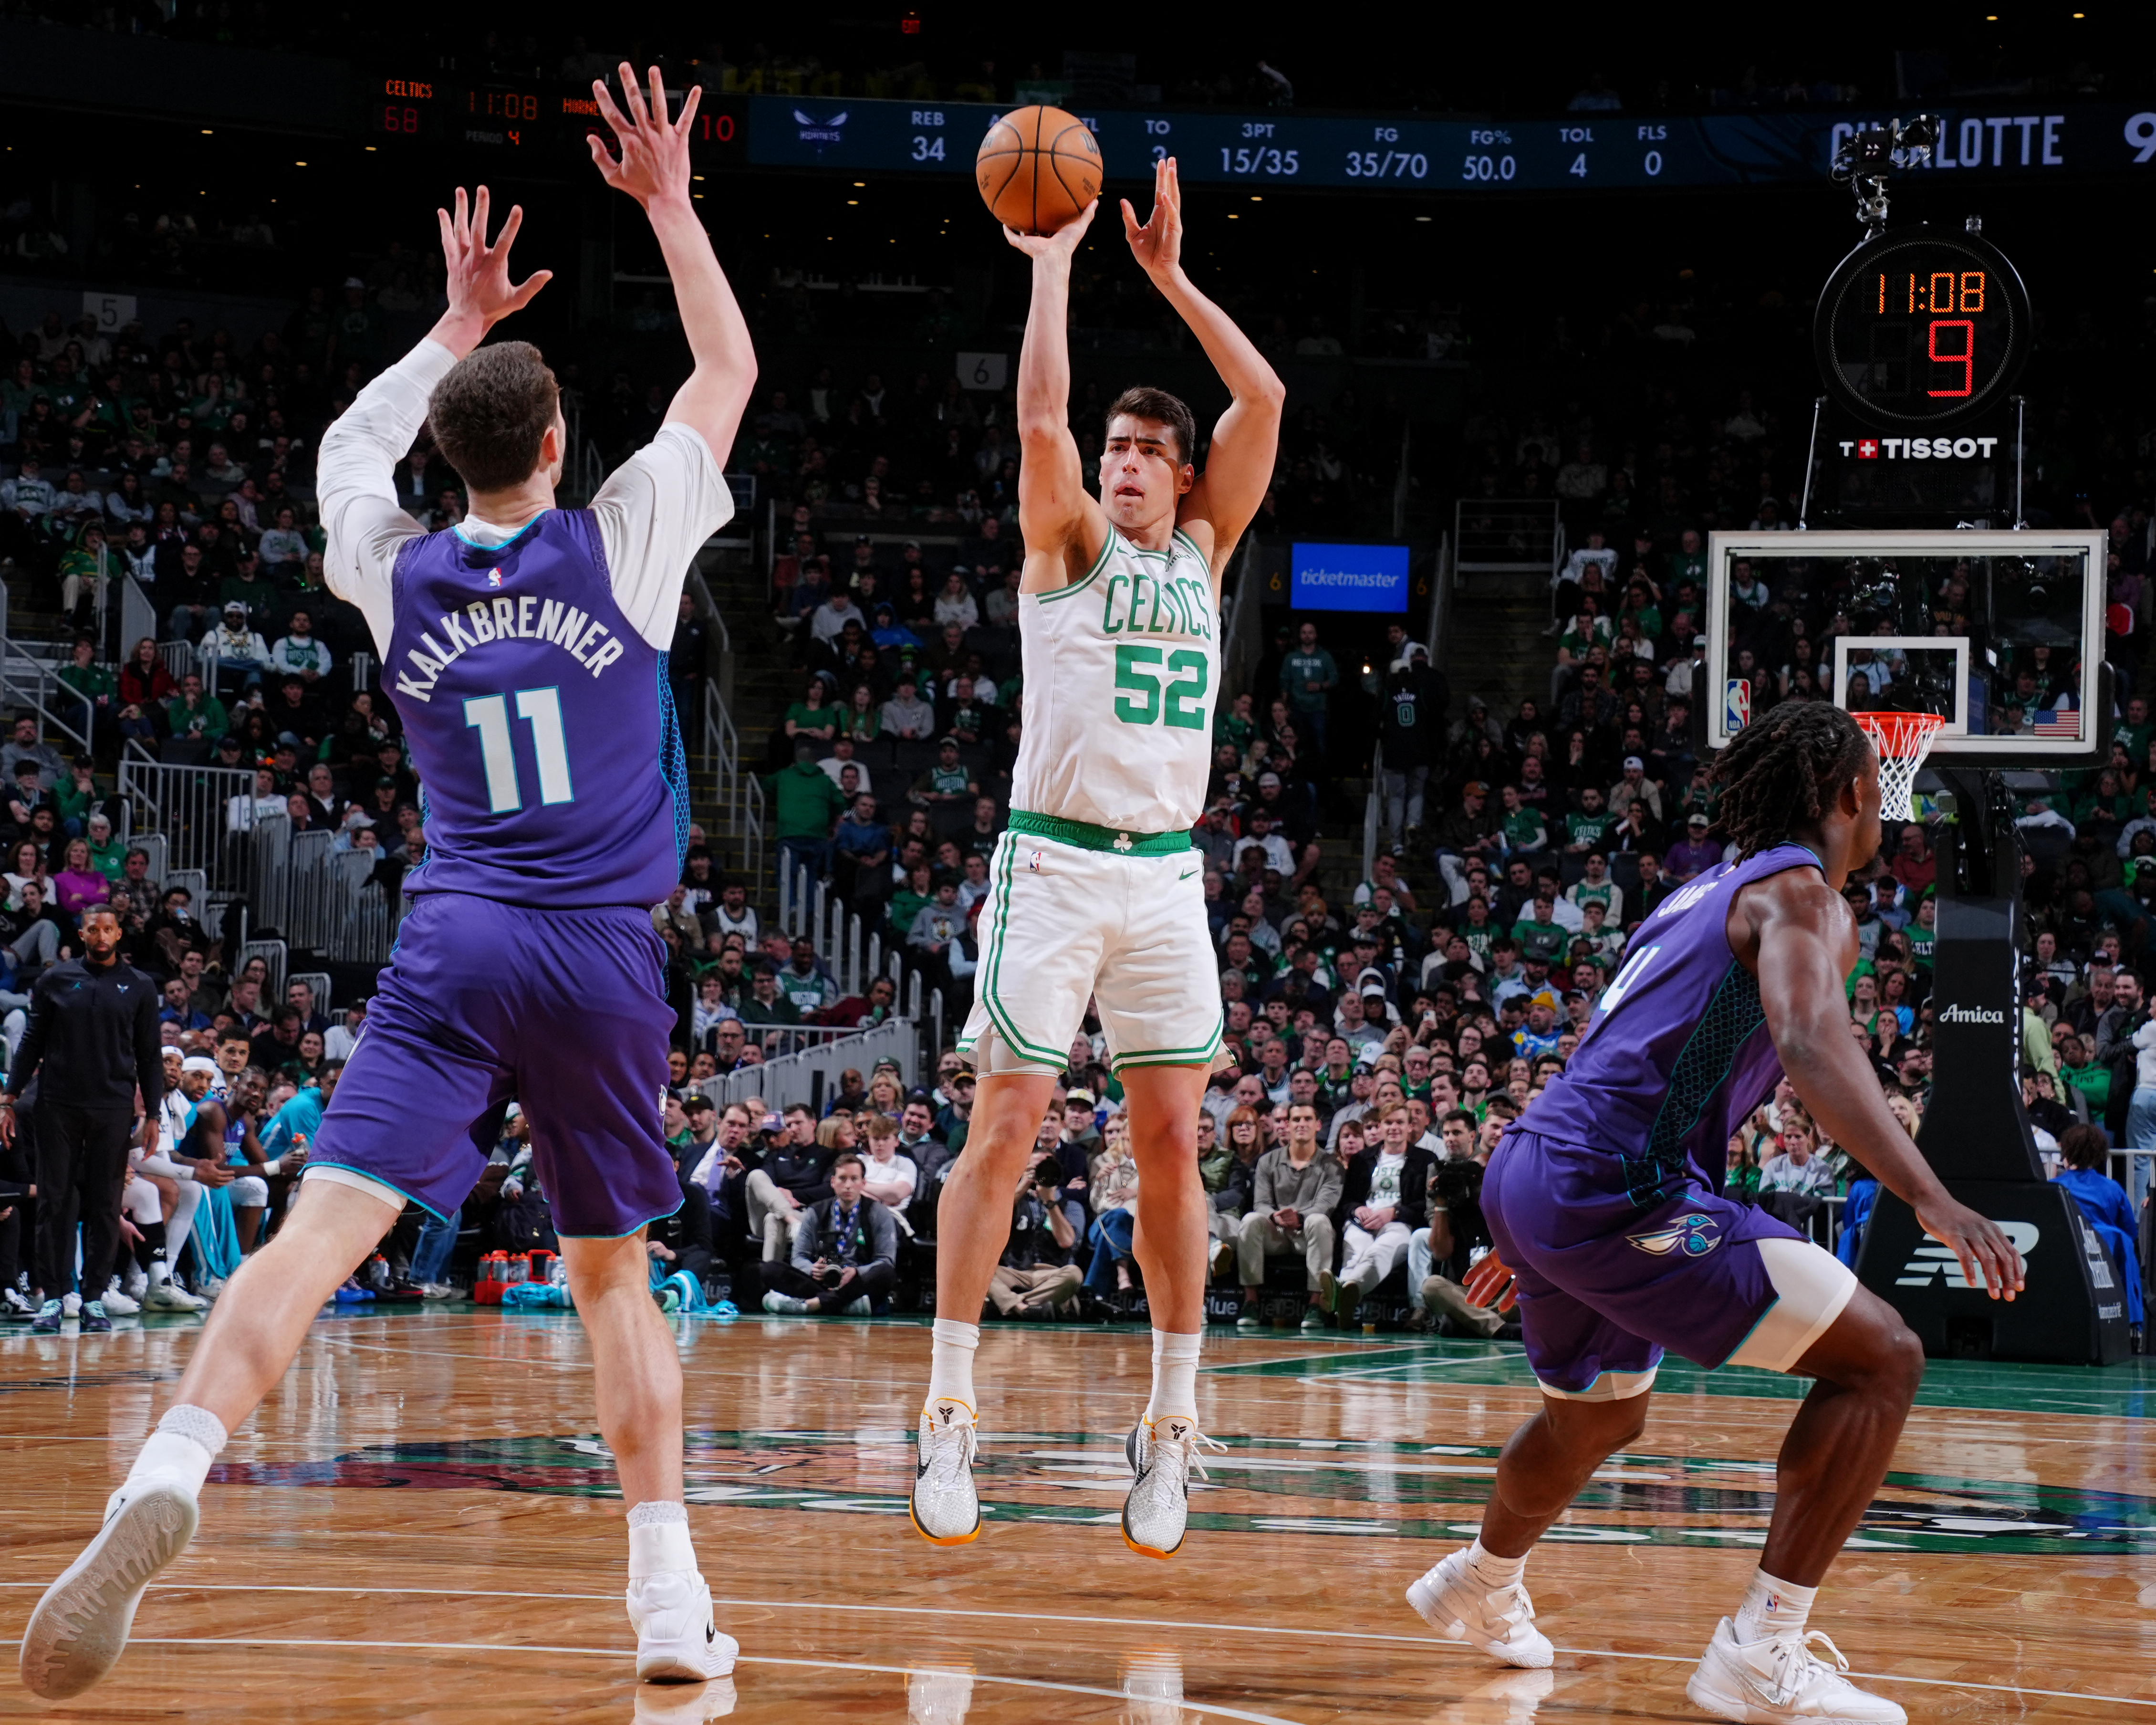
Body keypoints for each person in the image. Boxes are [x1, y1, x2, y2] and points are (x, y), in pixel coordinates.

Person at [20, 68, 758, 1703]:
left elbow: (355, 440)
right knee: (612, 1272)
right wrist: (665, 200)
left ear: (449, 455)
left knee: (317, 1231)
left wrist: (449, 319)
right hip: (594, 949)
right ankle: (661, 1598)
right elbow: (727, 364)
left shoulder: (391, 559)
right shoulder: (624, 536)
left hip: (454, 931)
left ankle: (166, 1471)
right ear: (560, 447)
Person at [1402, 701, 2022, 1725]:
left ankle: (1480, 1576)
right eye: (1880, 785)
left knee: (1602, 1413)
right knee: (1883, 1359)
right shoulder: (1802, 894)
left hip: (1544, 1164)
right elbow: (1814, 1045)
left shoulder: (1700, 891)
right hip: (1613, 1188)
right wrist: (1931, 1193)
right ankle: (1761, 1647)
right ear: (1862, 794)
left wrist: (1538, 1222)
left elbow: (1623, 1050)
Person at [908, 157, 1282, 1561]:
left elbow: (1265, 404)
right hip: (1054, 870)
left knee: (1175, 1144)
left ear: (1178, 477)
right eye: (1113, 447)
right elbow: (1038, 414)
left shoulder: (1203, 548)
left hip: (1165, 878)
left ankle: (1172, 1423)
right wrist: (1055, 263)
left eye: (1144, 450)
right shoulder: (1065, 547)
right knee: (1004, 1129)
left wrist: (1176, 277)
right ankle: (948, 1405)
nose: (1119, 462)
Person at [0, 905, 165, 1333]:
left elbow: (150, 1054)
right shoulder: (55, 979)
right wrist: (8, 1097)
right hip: (57, 1105)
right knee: (54, 1204)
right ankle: (54, 1297)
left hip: (113, 1108)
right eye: (94, 928)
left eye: (109, 928)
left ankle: (94, 1299)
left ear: (119, 932)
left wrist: (153, 1114)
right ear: (83, 932)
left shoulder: (141, 986)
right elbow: (32, 1040)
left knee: (106, 1205)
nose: (102, 934)